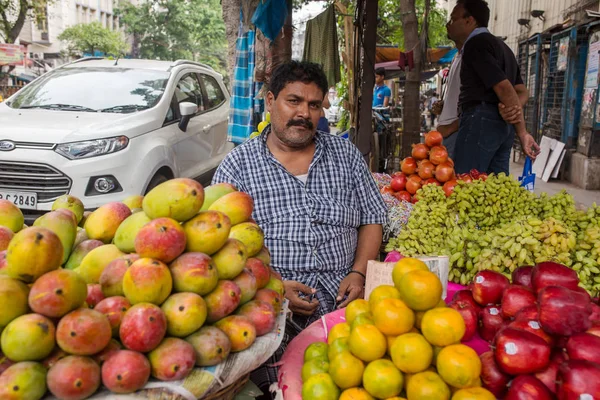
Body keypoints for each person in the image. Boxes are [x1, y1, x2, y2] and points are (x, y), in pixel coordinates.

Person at [212, 60, 387, 397]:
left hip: (346, 310)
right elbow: (222, 251)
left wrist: (359, 273)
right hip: (273, 316)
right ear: (270, 99)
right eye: (293, 101)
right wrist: (274, 286)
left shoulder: (346, 156)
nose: (304, 113)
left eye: (314, 104)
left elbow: (371, 218)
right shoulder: (238, 166)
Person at [449, 0, 540, 175]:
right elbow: (521, 92)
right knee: (495, 189)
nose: (450, 25)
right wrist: (511, 110)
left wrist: (522, 132)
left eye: (453, 19)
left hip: (480, 122)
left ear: (470, 20)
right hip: (503, 128)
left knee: (466, 182)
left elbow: (505, 88)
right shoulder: (504, 47)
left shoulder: (476, 44)